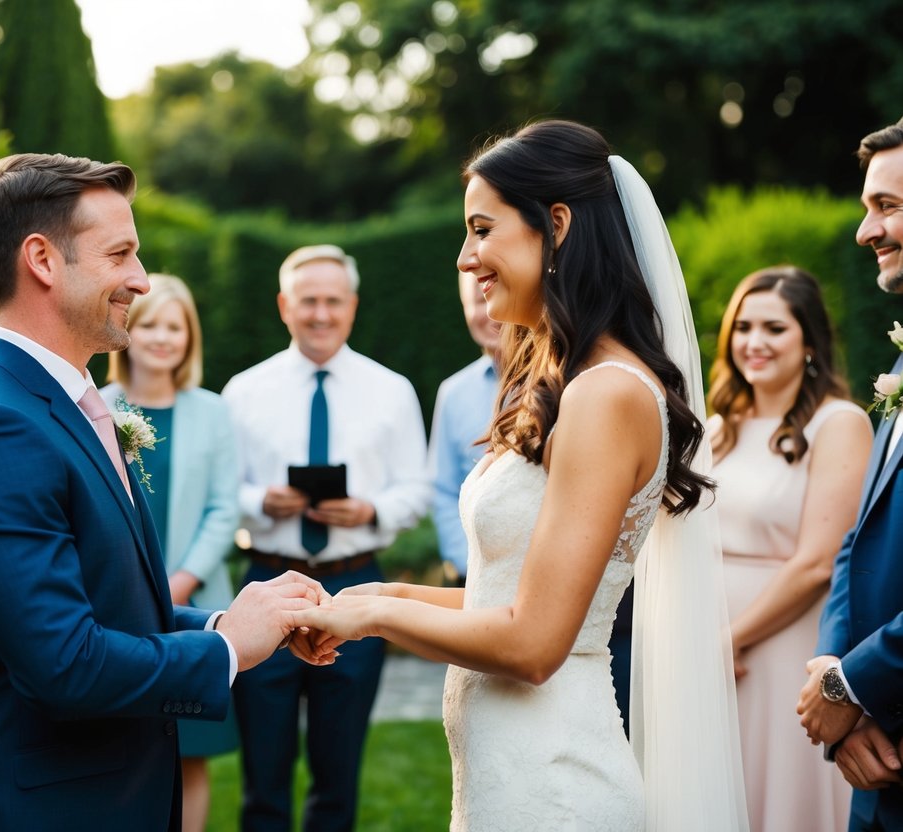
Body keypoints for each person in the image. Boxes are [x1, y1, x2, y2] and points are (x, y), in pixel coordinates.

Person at [290, 120, 748, 830]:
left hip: (555, 784)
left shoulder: (606, 394)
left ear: (555, 225)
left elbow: (533, 644)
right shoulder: (575, 385)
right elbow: (502, 597)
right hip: (510, 775)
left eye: (481, 230)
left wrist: (376, 617)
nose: (465, 258)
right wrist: (377, 595)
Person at [0, 153, 328, 832]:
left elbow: (107, 605)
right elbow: (64, 665)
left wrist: (235, 622)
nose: (141, 279)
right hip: (41, 811)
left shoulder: (64, 404)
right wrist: (226, 649)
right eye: (120, 254)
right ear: (42, 259)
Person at [222, 243, 431, 832]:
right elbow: (222, 490)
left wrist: (370, 510)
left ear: (352, 306)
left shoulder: (391, 390)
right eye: (308, 301)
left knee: (339, 770)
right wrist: (259, 502)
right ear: (284, 306)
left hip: (354, 585)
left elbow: (417, 488)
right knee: (263, 772)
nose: (321, 314)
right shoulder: (244, 391)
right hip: (266, 583)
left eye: (333, 302)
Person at [708, 266, 871, 831]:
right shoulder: (716, 429)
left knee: (777, 794)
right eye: (743, 327)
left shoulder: (838, 423)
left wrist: (731, 638)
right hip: (710, 644)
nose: (754, 342)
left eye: (774, 328)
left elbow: (818, 562)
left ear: (809, 341)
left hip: (780, 643)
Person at [102, 273, 240, 832]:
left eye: (175, 327)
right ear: (127, 328)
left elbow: (224, 509)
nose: (162, 338)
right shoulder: (95, 406)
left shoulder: (213, 411)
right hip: (114, 604)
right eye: (150, 324)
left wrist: (178, 582)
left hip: (193, 605)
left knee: (189, 750)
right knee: (119, 746)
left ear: (190, 339)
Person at [801, 117, 903, 831]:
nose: (866, 231)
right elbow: (858, 541)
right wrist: (831, 673)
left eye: (886, 206)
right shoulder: (898, 365)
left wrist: (851, 685)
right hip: (875, 757)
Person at [428, 271, 502, 586]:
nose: (490, 313)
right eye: (477, 302)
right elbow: (442, 488)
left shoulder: (564, 382)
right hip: (470, 577)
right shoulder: (453, 392)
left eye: (495, 298)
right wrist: (467, 562)